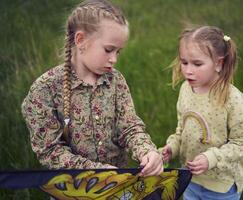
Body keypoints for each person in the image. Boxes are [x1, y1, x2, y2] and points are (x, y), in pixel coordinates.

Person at [21, 0, 163, 177]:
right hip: (74, 188)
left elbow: (129, 127)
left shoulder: (115, 81)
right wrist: (94, 171)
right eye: (108, 50)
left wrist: (147, 151)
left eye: (118, 52)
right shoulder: (45, 89)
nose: (114, 59)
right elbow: (50, 151)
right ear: (80, 40)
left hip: (118, 185)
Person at [161, 26, 243, 199]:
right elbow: (182, 129)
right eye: (184, 62)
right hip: (190, 178)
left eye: (197, 64)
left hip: (221, 185)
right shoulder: (186, 90)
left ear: (218, 63)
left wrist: (211, 158)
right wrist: (172, 147)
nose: (188, 70)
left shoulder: (233, 100)